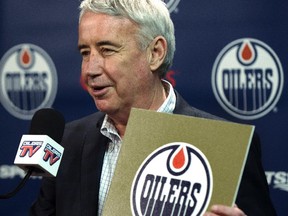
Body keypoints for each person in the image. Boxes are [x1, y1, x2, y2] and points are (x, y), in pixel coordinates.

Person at [30, 0, 277, 215]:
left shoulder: (225, 147)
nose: (90, 69)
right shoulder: (66, 142)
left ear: (155, 53)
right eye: (85, 52)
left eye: (107, 50)